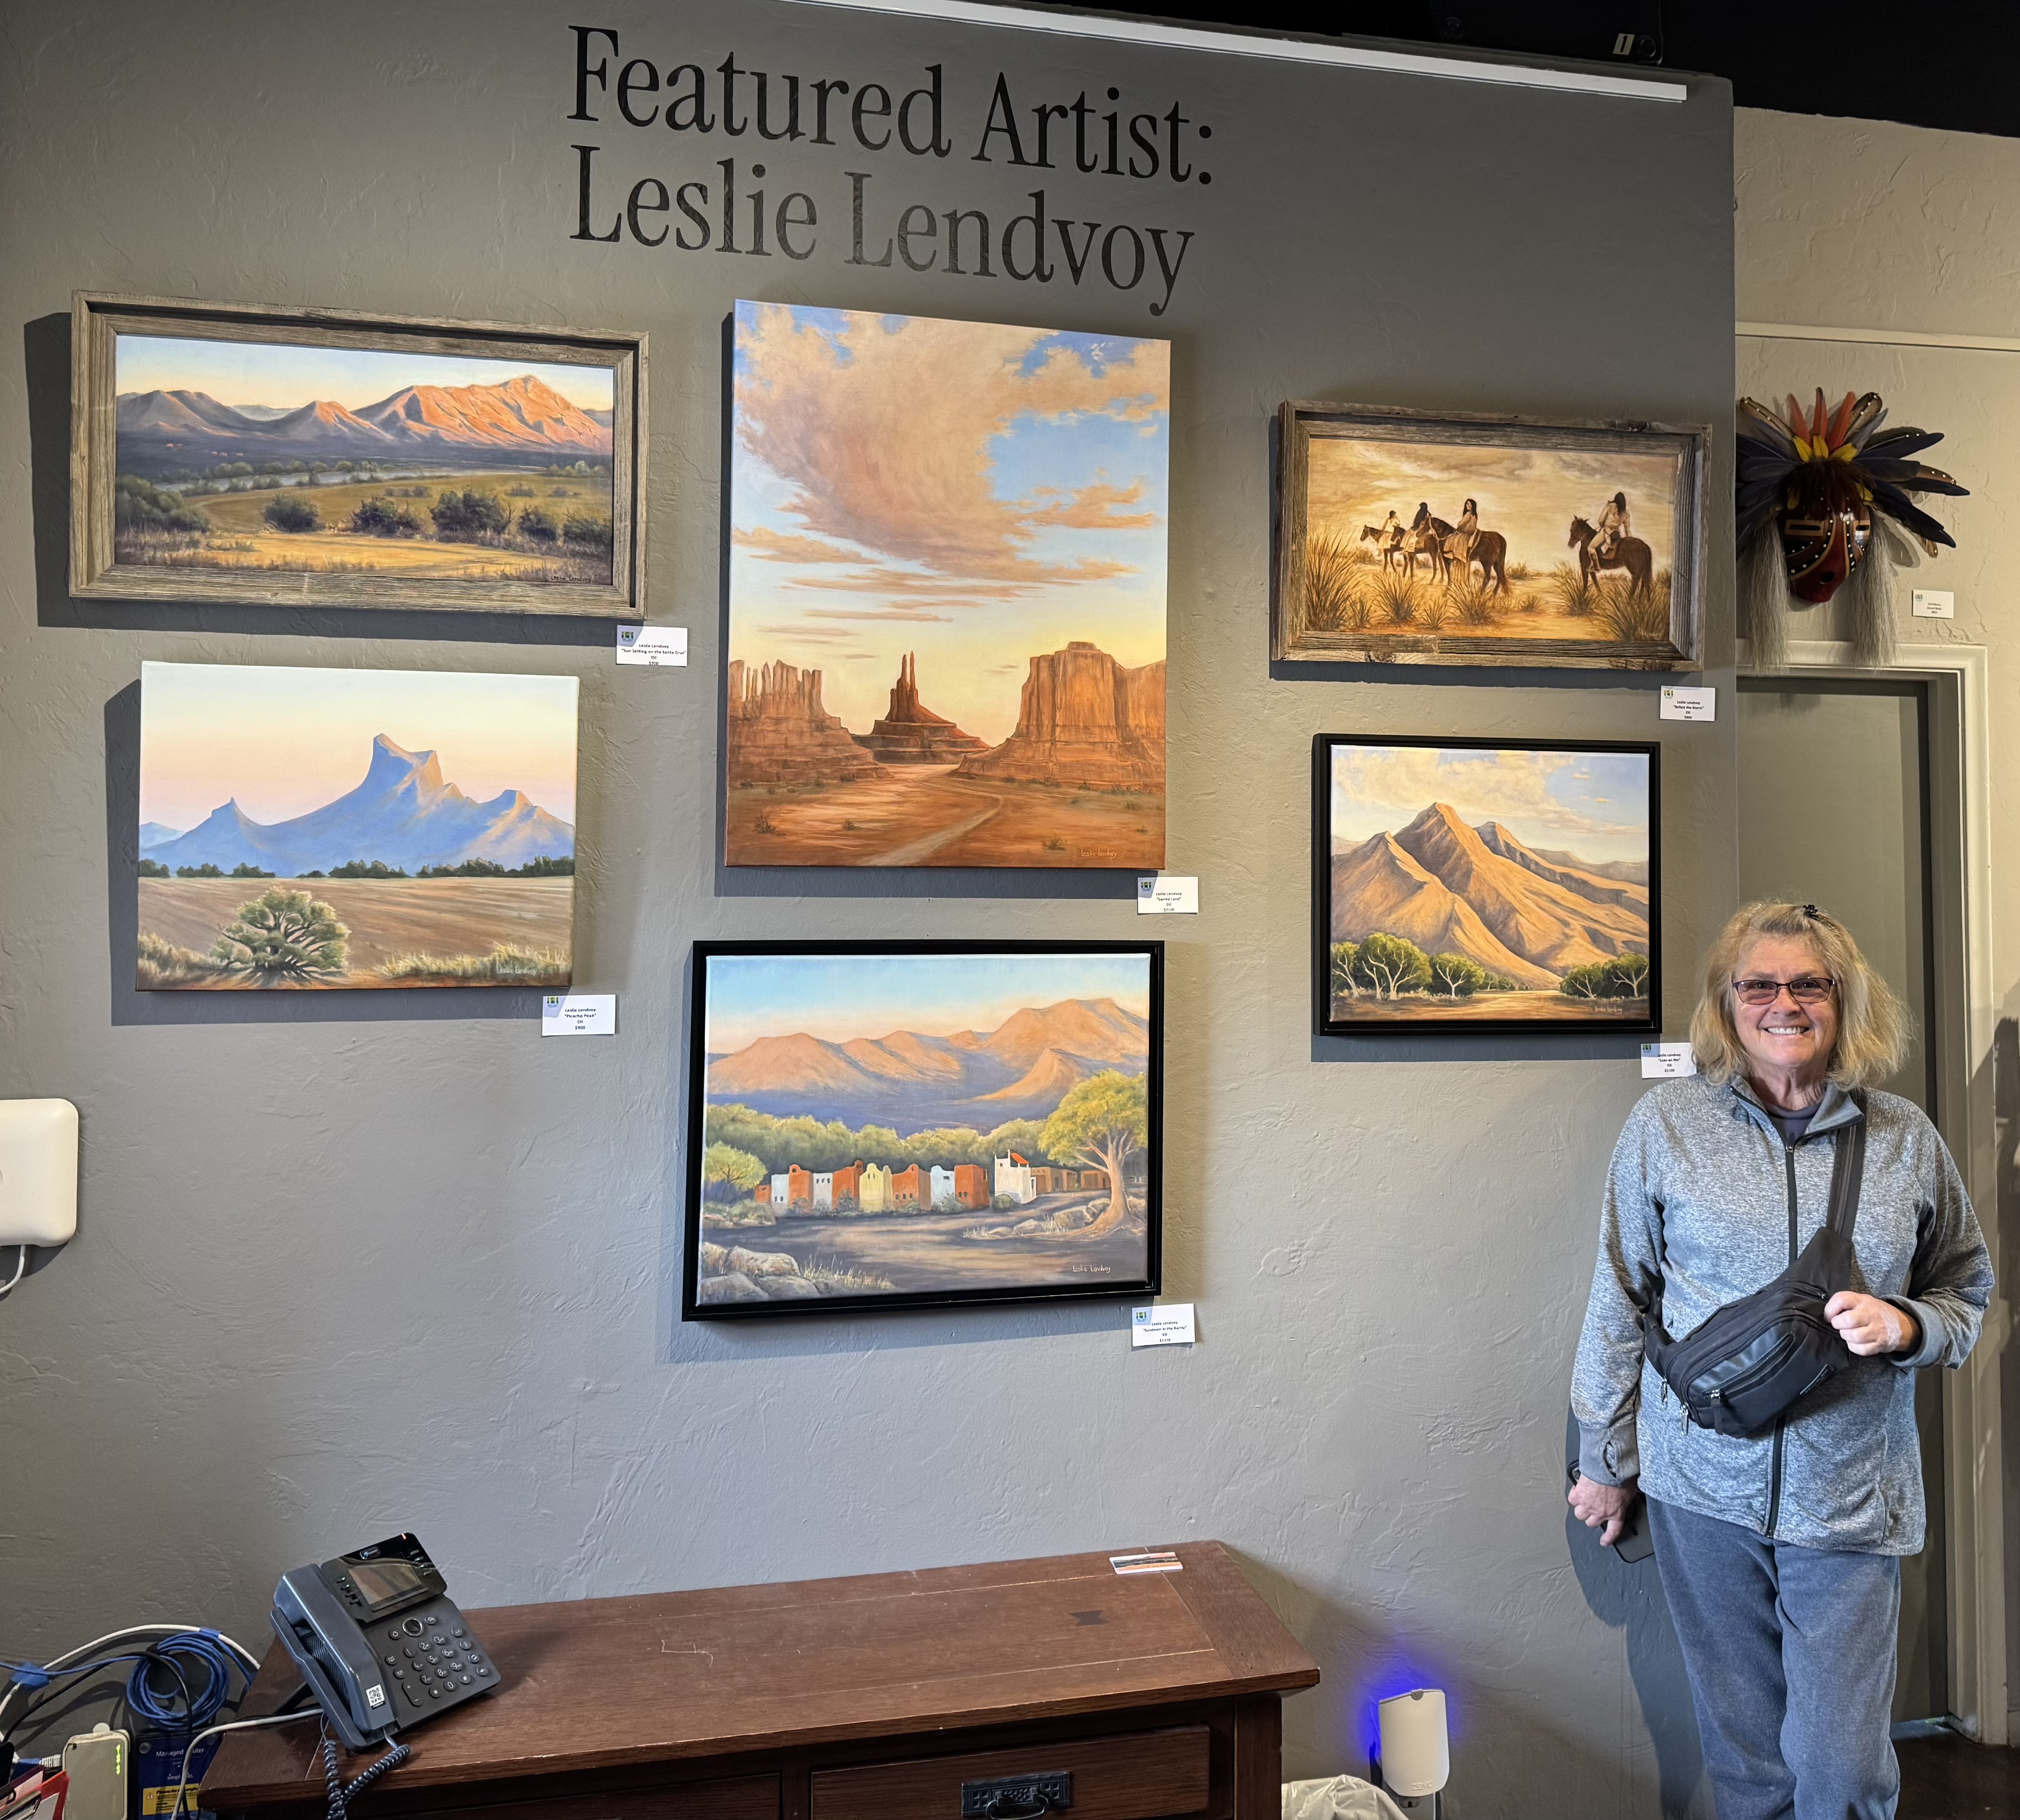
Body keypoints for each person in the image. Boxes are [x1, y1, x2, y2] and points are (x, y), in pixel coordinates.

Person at [1569, 901, 1992, 1820]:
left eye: (1808, 983)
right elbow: (1620, 1298)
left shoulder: (1904, 1137)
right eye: (1758, 984)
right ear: (1727, 1003)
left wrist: (1909, 1325)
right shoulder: (1666, 1126)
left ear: (1844, 1001)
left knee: (1842, 1772)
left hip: (1848, 1495)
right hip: (1698, 1489)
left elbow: (1969, 1291)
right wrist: (1605, 1460)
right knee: (1748, 1762)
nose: (1782, 1003)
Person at [1592, 490, 1630, 561]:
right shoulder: (1626, 513)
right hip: (1616, 534)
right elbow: (1627, 529)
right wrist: (1630, 539)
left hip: (1607, 531)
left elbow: (1601, 521)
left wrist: (1602, 524)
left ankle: (1596, 566)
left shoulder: (1609, 507)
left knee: (1591, 548)